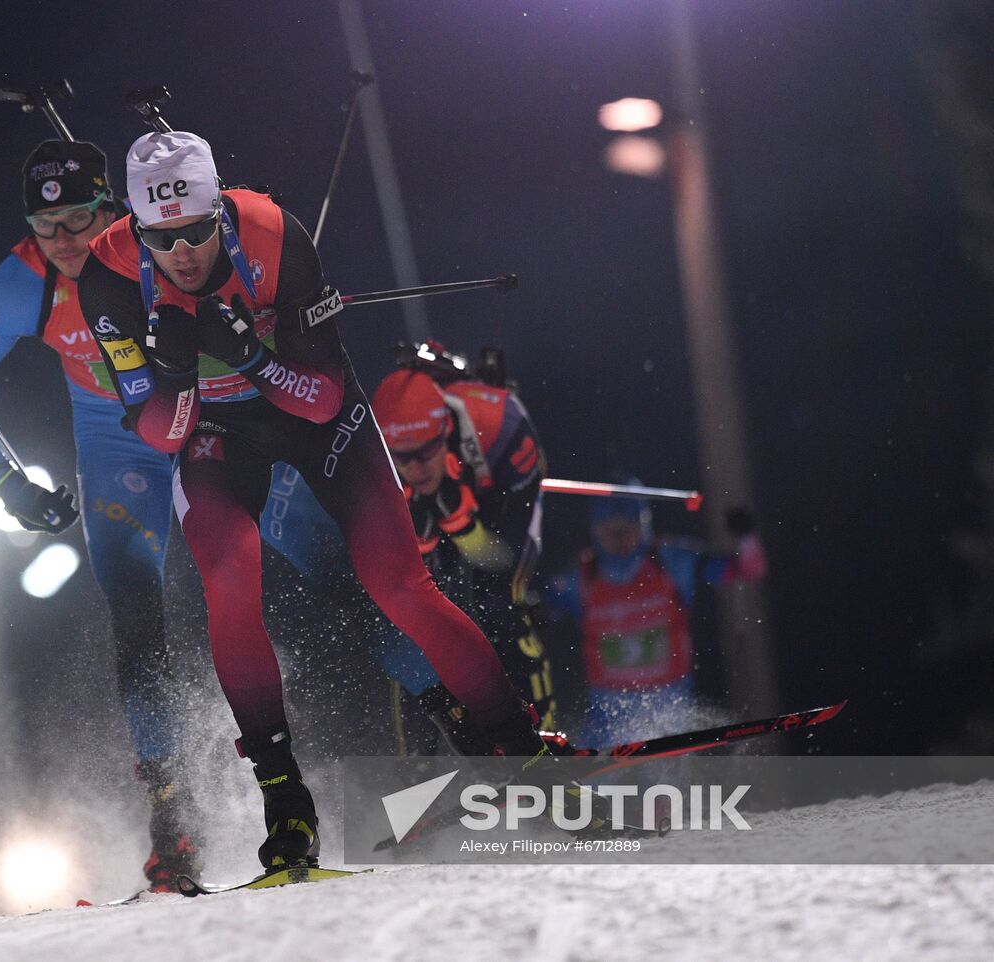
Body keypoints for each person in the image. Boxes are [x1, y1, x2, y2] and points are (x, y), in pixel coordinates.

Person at [77, 130, 555, 871]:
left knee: (399, 584)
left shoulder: (271, 234)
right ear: (136, 227)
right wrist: (173, 373)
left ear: (221, 215)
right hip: (212, 430)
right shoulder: (108, 274)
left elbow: (323, 396)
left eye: (198, 231)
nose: (182, 253)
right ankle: (285, 803)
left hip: (311, 414)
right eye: (161, 238)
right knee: (230, 579)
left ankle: (521, 754)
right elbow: (161, 434)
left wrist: (250, 357)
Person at [0, 139, 206, 891]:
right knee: (136, 619)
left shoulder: (157, 248)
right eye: (45, 224)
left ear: (112, 210)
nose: (65, 241)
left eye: (80, 219)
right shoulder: (27, 279)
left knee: (316, 569)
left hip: (206, 427)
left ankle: (479, 759)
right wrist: (6, 482)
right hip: (120, 452)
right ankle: (173, 825)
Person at [371, 360, 557, 753]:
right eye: (402, 457)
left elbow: (503, 558)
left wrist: (464, 528)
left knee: (501, 603)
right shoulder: (373, 462)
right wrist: (426, 543)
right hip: (424, 501)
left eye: (425, 452)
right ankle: (415, 769)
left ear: (446, 432)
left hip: (496, 486)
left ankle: (546, 738)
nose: (416, 467)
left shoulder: (501, 426)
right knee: (415, 622)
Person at [545, 490, 767, 748]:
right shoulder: (582, 574)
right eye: (609, 530)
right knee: (588, 780)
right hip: (608, 710)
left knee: (666, 784)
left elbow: (749, 569)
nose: (619, 539)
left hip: (667, 704)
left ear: (643, 526)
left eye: (627, 529)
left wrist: (746, 537)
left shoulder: (671, 560)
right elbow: (540, 609)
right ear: (596, 531)